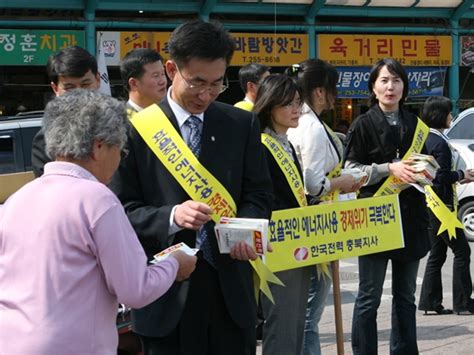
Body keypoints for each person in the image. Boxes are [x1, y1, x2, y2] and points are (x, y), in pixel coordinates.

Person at [109, 20, 273, 355]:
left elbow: (259, 193)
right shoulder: (135, 130)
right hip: (166, 295)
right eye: (197, 82)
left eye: (216, 83)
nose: (206, 94)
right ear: (171, 69)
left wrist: (244, 227)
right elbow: (120, 210)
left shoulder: (241, 124)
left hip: (231, 294)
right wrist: (171, 215)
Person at [0, 90, 197, 355]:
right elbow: (135, 290)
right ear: (99, 147)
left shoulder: (19, 199)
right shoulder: (97, 199)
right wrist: (174, 265)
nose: (120, 160)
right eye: (121, 150)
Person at [345, 58, 431, 354]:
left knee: (406, 296)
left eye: (396, 80)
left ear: (405, 87)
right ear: (373, 86)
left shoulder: (417, 124)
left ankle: (405, 350)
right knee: (369, 296)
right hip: (375, 216)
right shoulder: (362, 124)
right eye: (383, 80)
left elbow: (427, 165)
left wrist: (427, 173)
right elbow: (350, 169)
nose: (390, 86)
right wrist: (387, 169)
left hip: (411, 219)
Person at [286, 59, 359, 355]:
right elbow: (313, 183)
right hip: (315, 226)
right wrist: (340, 182)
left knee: (305, 310)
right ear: (319, 91)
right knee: (309, 313)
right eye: (332, 89)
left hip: (307, 224)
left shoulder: (298, 121)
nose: (335, 96)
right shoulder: (311, 127)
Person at [253, 74, 312, 355]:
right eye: (287, 104)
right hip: (278, 243)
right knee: (282, 320)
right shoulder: (262, 145)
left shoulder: (286, 142)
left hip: (297, 240)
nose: (295, 109)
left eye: (298, 103)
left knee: (298, 317)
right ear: (269, 105)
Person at [419, 96, 474, 315]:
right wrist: (462, 174)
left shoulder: (425, 138)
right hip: (442, 207)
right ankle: (463, 302)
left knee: (437, 254)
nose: (451, 117)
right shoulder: (439, 142)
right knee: (462, 251)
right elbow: (440, 176)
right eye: (449, 113)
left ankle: (429, 302)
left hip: (430, 204)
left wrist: (459, 177)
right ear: (440, 115)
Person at [31, 45, 101, 177]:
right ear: (55, 88)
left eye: (86, 84)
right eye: (69, 87)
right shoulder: (46, 139)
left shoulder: (121, 127)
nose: (79, 93)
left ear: (98, 80)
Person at [120, 48, 167, 113]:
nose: (162, 81)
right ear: (134, 83)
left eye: (163, 73)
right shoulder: (120, 120)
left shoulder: (170, 116)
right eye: (156, 76)